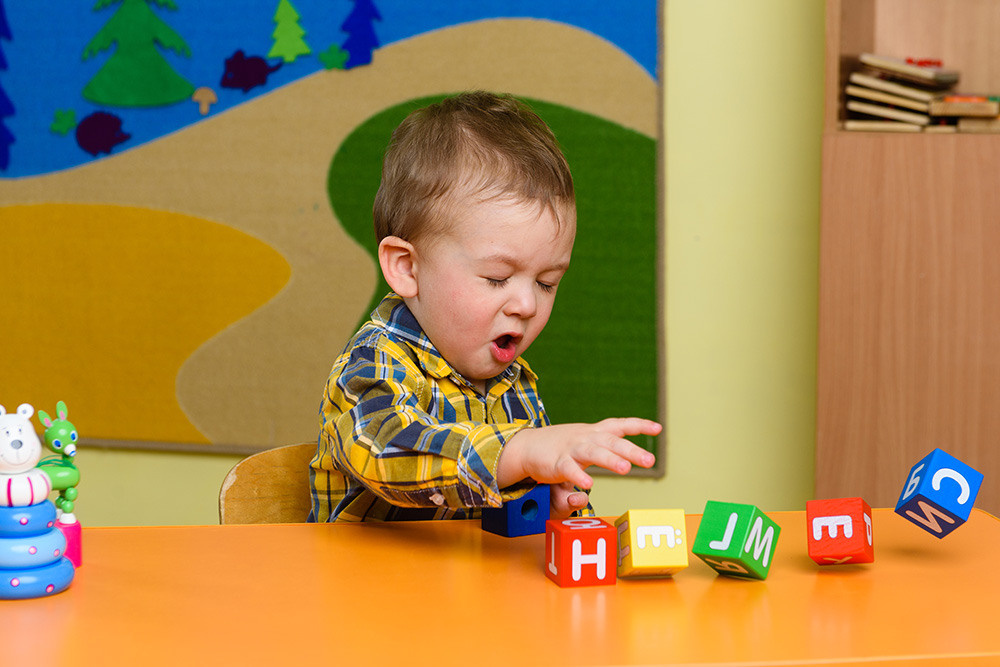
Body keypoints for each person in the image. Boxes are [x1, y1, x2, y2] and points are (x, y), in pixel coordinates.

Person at [309, 91, 661, 523]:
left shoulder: (514, 384)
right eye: (497, 278)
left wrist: (551, 497)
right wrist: (519, 452)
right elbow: (390, 451)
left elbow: (510, 506)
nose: (527, 304)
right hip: (360, 587)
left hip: (467, 588)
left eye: (547, 283)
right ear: (406, 268)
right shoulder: (372, 365)